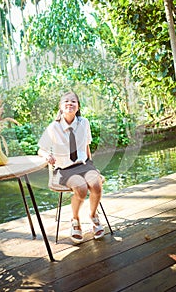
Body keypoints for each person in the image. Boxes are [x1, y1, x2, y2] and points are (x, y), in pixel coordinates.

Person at [38, 91, 105, 243]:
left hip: (84, 164)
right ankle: (75, 221)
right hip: (64, 169)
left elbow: (87, 147)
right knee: (81, 189)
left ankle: (93, 215)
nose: (70, 103)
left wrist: (91, 166)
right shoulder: (53, 127)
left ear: (78, 106)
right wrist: (46, 156)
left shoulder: (84, 123)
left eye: (73, 101)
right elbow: (41, 149)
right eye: (66, 101)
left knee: (96, 185)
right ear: (60, 107)